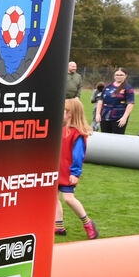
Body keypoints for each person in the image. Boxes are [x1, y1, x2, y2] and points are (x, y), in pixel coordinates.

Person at [55, 98, 97, 239]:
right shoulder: (60, 130)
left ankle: (88, 223)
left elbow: (78, 155)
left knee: (68, 198)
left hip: (68, 172)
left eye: (63, 111)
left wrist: (75, 172)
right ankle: (59, 226)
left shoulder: (78, 134)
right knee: (53, 198)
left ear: (71, 114)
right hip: (56, 170)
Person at [95, 68, 134, 134]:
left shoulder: (128, 88)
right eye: (117, 75)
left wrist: (124, 117)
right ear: (114, 76)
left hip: (119, 118)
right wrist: (98, 114)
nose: (119, 76)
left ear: (125, 76)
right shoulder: (107, 87)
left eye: (121, 75)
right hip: (105, 117)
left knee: (117, 140)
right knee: (105, 138)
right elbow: (100, 101)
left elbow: (130, 104)